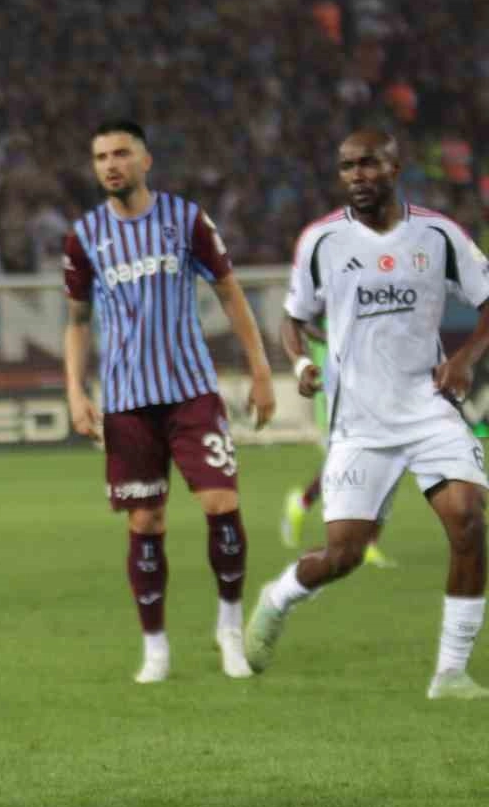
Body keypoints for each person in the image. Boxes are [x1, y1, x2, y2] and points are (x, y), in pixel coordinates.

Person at [245, 130, 489, 699]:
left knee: (468, 522)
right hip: (359, 422)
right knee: (343, 556)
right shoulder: (322, 241)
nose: (357, 175)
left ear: (395, 167)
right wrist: (300, 362)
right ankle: (278, 597)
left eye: (368, 164)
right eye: (347, 166)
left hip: (429, 408)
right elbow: (292, 318)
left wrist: (464, 358)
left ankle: (451, 673)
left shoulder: (438, 235)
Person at [62, 120, 276, 684]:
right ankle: (155, 648)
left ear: (145, 160)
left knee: (221, 503)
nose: (111, 165)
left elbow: (229, 291)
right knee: (146, 519)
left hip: (191, 392)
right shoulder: (85, 236)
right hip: (127, 402)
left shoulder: (186, 220)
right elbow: (77, 321)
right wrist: (75, 390)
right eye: (101, 156)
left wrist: (260, 370)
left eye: (121, 153)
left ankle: (229, 629)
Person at [278, 321, 395, 567]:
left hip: (374, 384)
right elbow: (300, 320)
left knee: (382, 464)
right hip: (335, 387)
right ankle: (301, 504)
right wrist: (331, 339)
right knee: (344, 466)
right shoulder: (326, 297)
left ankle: (369, 542)